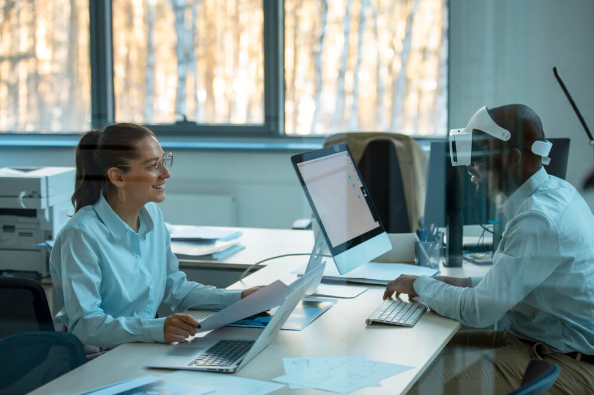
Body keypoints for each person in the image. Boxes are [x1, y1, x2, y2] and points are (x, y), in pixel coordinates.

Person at [384, 104, 594, 394]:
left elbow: (480, 311)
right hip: (536, 346)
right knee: (416, 358)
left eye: (478, 152)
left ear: (511, 158)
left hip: (564, 362)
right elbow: (522, 281)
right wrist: (465, 282)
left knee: (414, 385)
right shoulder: (552, 193)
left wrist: (420, 285)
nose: (470, 163)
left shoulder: (538, 219)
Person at [50, 123, 263, 351]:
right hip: (95, 359)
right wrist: (155, 329)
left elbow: (175, 289)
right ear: (118, 177)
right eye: (153, 166)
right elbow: (85, 324)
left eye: (164, 161)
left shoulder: (152, 215)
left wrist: (240, 298)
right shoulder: (81, 234)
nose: (166, 173)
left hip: (140, 348)